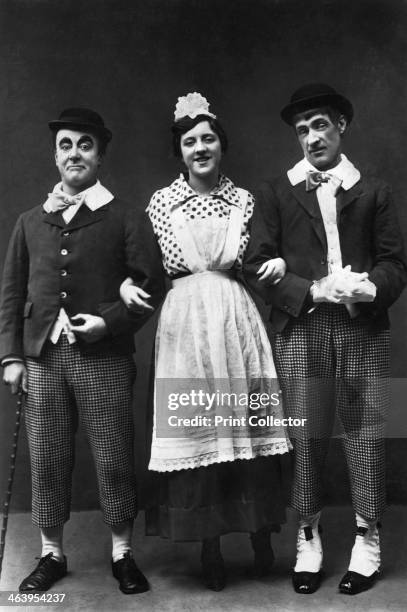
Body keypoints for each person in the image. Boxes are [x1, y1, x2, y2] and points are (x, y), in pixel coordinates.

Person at [121, 92, 291, 591]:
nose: (200, 148)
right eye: (190, 141)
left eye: (208, 139)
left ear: (222, 146)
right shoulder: (160, 203)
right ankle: (210, 546)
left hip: (236, 317)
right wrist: (127, 285)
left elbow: (260, 260)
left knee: (248, 425)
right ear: (180, 151)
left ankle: (262, 532)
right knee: (200, 426)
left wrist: (276, 266)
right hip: (185, 323)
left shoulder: (245, 200)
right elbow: (143, 268)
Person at [244, 83, 407, 596]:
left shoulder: (372, 190)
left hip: (359, 327)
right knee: (305, 434)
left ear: (341, 127)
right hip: (304, 326)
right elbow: (255, 265)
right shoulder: (276, 191)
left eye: (320, 126)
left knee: (364, 431)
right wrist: (310, 287)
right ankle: (308, 535)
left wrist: (371, 286)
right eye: (302, 130)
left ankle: (366, 537)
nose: (312, 138)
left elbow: (395, 265)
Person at [0, 108, 165, 594]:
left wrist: (109, 321)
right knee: (47, 457)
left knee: (113, 456)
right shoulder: (31, 221)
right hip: (42, 360)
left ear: (100, 155)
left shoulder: (125, 217)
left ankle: (122, 553)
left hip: (105, 357)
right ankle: (51, 552)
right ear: (55, 156)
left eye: (85, 144)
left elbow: (151, 284)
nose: (76, 153)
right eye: (67, 145)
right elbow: (11, 293)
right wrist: (12, 357)